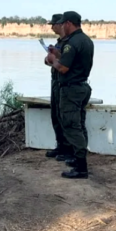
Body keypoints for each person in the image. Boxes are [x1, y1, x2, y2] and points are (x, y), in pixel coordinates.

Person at [47, 11, 94, 179]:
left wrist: (53, 60)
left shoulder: (71, 42)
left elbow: (64, 68)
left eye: (62, 23)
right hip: (82, 87)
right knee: (79, 124)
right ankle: (78, 160)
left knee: (71, 126)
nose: (61, 27)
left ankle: (81, 167)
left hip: (71, 89)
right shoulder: (86, 40)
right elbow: (72, 60)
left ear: (68, 23)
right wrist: (58, 55)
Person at [44, 13, 71, 161]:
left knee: (63, 116)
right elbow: (51, 61)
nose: (52, 27)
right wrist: (49, 58)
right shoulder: (60, 41)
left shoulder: (68, 42)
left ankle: (67, 149)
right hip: (55, 80)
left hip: (63, 82)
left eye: (53, 24)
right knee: (55, 114)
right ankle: (60, 146)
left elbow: (65, 63)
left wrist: (54, 59)